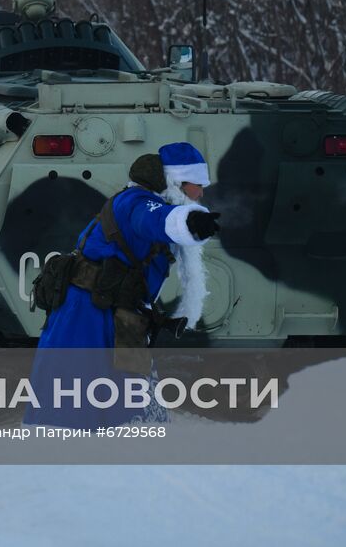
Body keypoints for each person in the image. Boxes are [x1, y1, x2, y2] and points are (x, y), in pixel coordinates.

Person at [26, 144, 220, 426]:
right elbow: (154, 219)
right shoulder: (136, 202)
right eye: (197, 185)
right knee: (73, 404)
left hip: (112, 314)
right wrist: (190, 221)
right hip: (88, 318)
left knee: (117, 406)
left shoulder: (142, 200)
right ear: (177, 182)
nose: (200, 193)